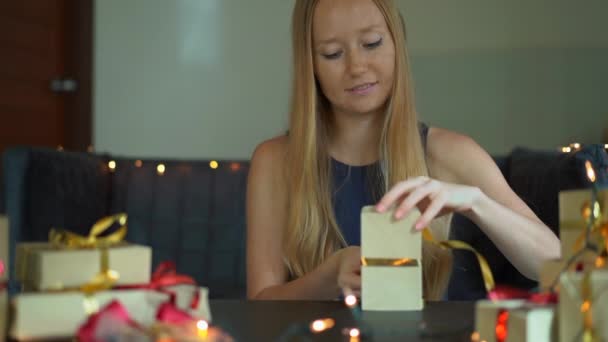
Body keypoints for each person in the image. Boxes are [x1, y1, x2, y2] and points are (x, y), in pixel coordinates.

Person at [245, 0, 560, 301]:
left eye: (372, 43)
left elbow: (558, 267)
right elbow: (260, 302)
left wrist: (477, 202)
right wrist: (329, 276)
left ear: (398, 44)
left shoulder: (451, 152)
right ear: (309, 65)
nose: (357, 67)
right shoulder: (275, 161)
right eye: (333, 54)